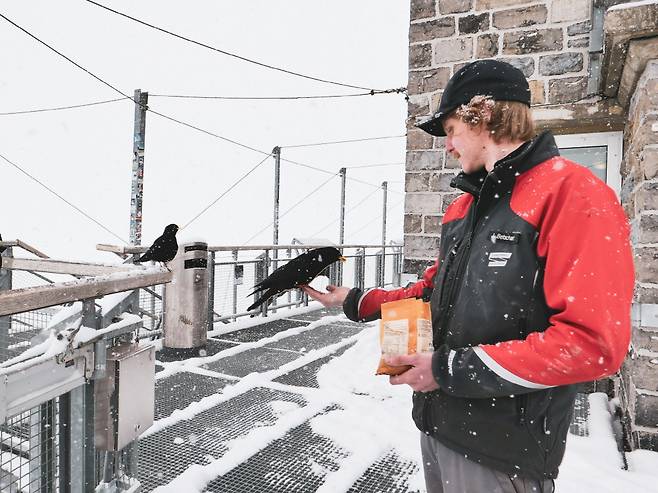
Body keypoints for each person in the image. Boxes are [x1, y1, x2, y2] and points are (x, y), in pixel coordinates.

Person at [302, 59, 634, 493]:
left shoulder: (574, 193)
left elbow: (591, 346)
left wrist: (445, 370)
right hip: (438, 427)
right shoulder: (464, 206)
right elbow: (432, 290)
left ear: (486, 115)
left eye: (453, 130)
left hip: (503, 451)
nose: (448, 147)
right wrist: (354, 299)